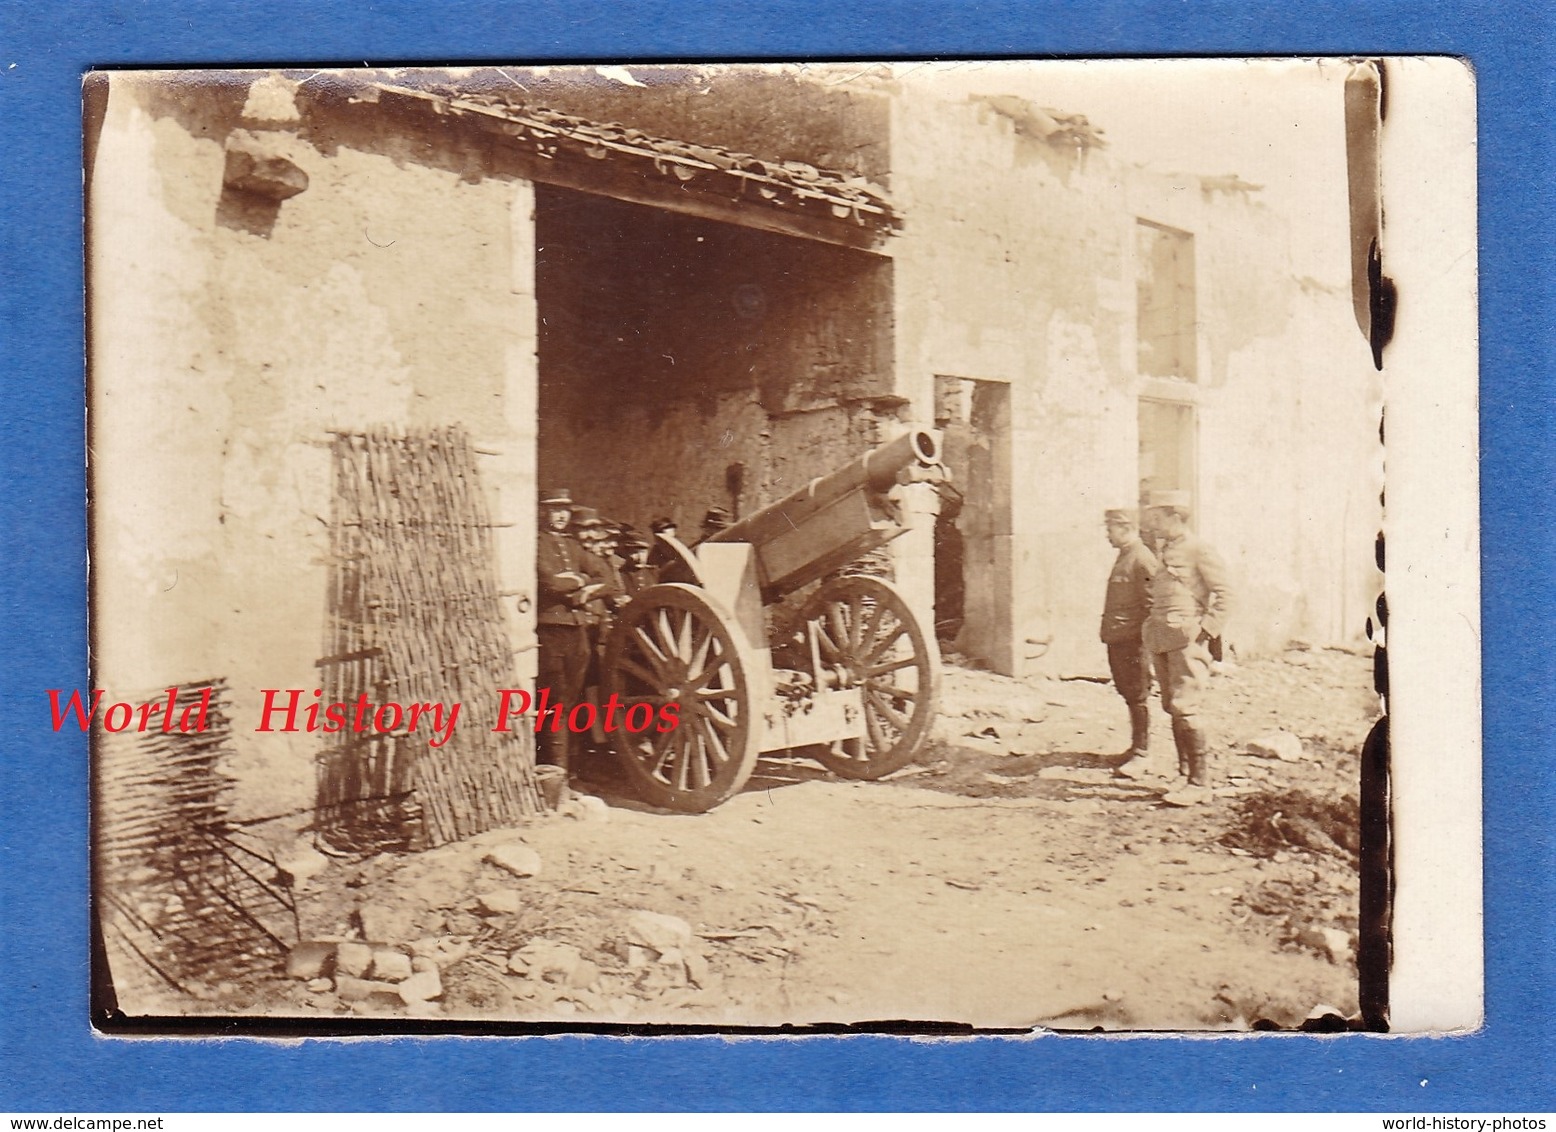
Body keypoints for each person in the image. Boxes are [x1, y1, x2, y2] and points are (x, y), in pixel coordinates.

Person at [1140, 490, 1233, 794]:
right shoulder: (1165, 549)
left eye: (1157, 519)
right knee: (1172, 706)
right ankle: (1185, 774)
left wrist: (1207, 629)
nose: (1152, 525)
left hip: (1186, 640)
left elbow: (1227, 594)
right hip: (1162, 638)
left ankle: (1200, 782)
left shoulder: (1198, 548)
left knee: (1186, 706)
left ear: (1175, 517)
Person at [535, 488, 603, 774]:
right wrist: (581, 584)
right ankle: (556, 773)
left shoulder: (574, 547)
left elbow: (604, 577)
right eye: (554, 510)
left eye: (564, 510)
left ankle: (572, 772)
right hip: (552, 631)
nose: (561, 515)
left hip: (578, 631)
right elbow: (550, 582)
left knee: (574, 703)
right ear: (544, 512)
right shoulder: (537, 543)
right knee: (556, 703)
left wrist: (577, 580)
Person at [1101, 508, 1158, 778]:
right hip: (1119, 638)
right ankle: (1136, 746)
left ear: (1125, 528)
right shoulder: (1125, 556)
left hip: (1133, 641)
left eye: (1110, 529)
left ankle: (1142, 753)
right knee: (1129, 693)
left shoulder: (1142, 559)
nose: (1107, 534)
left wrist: (1145, 645)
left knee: (1138, 694)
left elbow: (1152, 605)